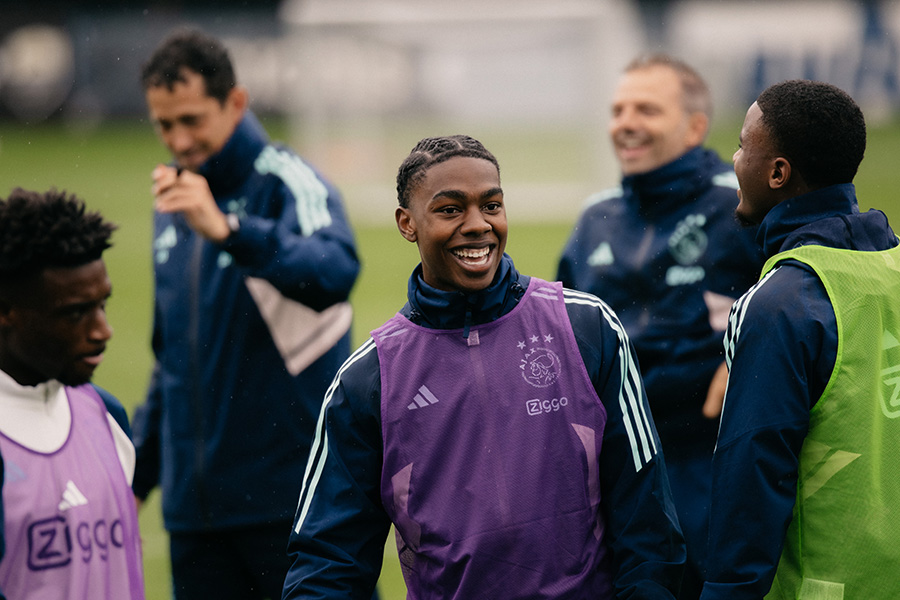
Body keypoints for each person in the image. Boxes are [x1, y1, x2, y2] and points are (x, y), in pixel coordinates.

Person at [282, 134, 685, 599]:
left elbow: (647, 519)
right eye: (450, 210)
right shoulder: (368, 379)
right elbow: (328, 559)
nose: (478, 225)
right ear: (406, 223)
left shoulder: (587, 327)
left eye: (491, 205)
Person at [130, 28, 360, 600]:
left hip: (293, 506)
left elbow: (334, 269)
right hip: (195, 520)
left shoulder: (287, 183)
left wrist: (231, 232)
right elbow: (172, 360)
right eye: (164, 124)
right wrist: (137, 477)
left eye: (191, 119)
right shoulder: (175, 204)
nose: (178, 141)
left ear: (235, 102)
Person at [556, 54, 765, 598]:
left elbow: (808, 296)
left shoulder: (743, 205)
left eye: (646, 109)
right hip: (619, 467)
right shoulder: (593, 217)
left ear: (695, 126)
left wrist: (746, 353)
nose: (625, 122)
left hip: (714, 464)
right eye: (618, 109)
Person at [700, 80, 900, 599]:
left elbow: (754, 472)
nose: (734, 159)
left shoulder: (780, 303)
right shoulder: (893, 264)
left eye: (744, 146)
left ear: (778, 173)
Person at [0, 188, 144, 599]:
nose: (102, 330)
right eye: (75, 312)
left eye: (103, 305)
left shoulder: (106, 415)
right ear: (6, 311)